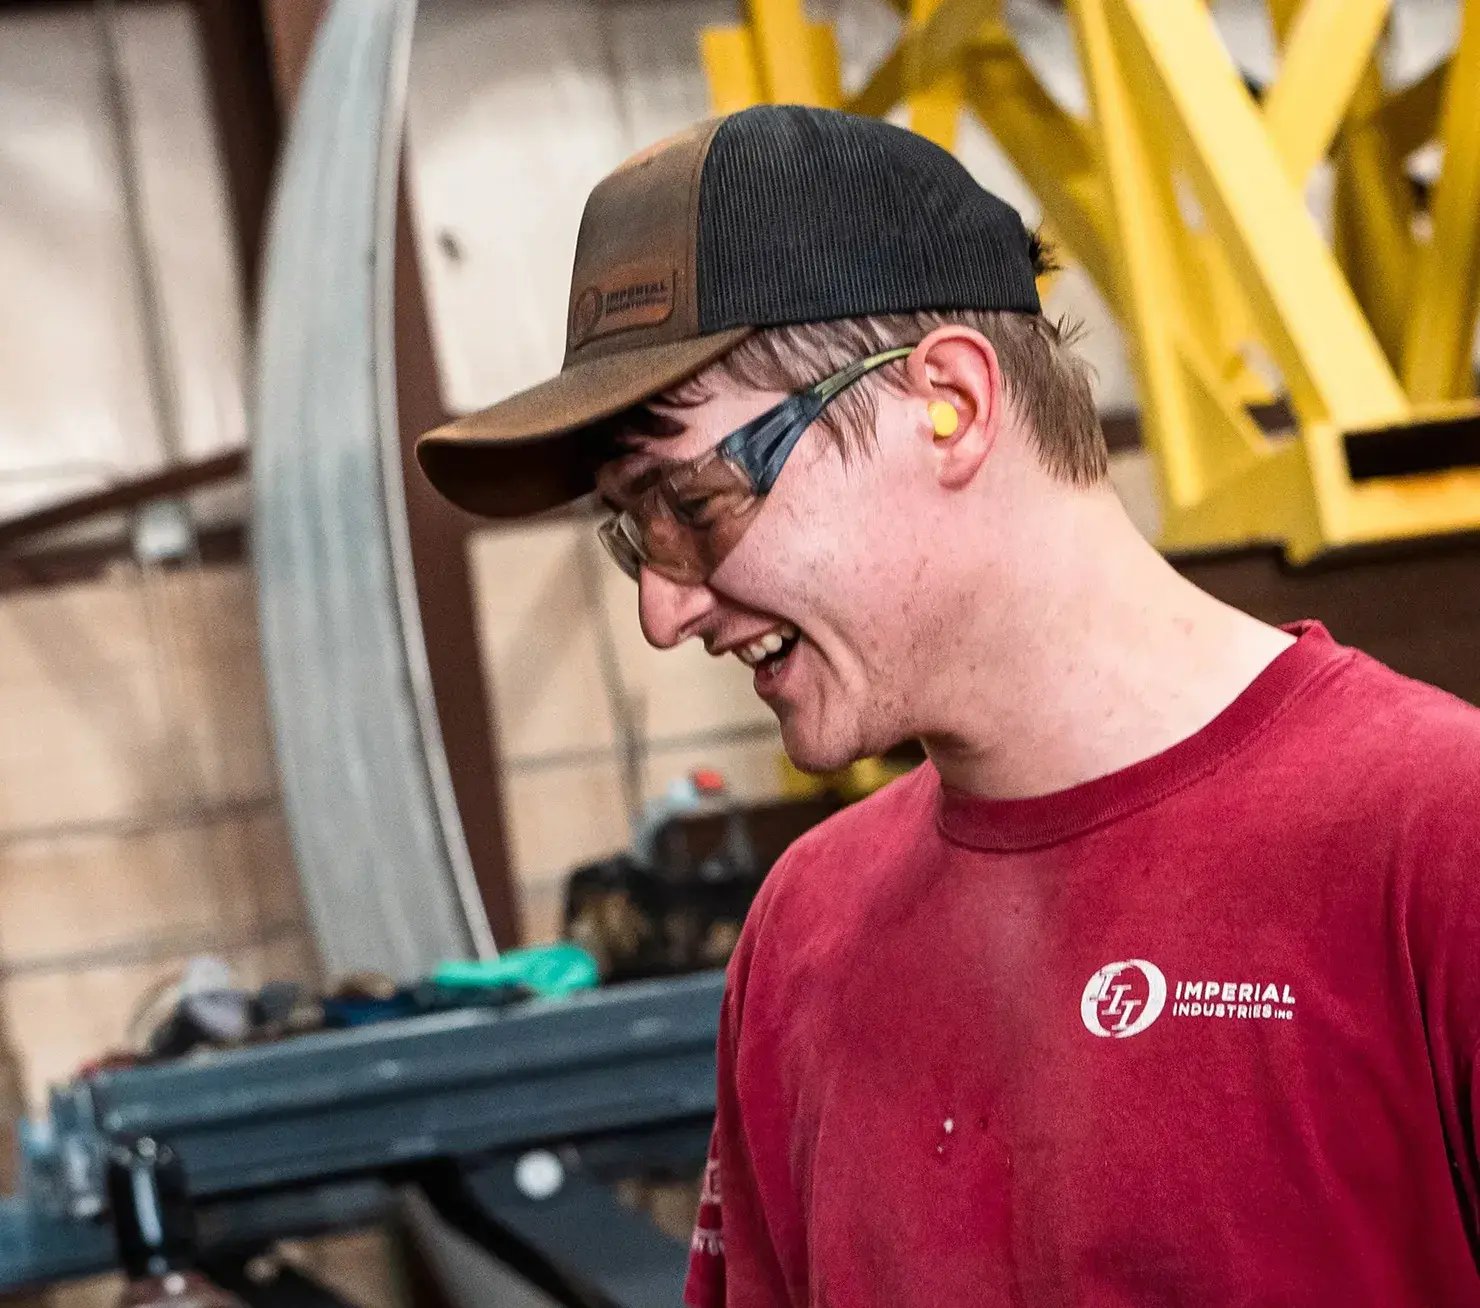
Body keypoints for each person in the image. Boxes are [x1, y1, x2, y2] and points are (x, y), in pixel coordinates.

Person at [418, 105, 1480, 1306]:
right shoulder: (803, 937)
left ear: (951, 406)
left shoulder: (1434, 843)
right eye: (632, 536)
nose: (665, 614)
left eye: (692, 505)